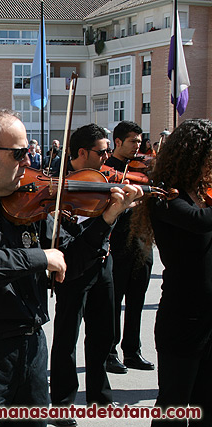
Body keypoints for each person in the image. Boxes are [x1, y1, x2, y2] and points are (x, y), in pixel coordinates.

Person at [0, 110, 141, 426]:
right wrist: (40, 258)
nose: (29, 162)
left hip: (32, 349)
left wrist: (106, 220)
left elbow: (71, 260)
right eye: (19, 154)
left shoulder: (29, 202)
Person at [129, 119, 212, 427]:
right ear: (196, 155)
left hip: (208, 316)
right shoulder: (165, 197)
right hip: (183, 317)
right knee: (174, 408)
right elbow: (199, 221)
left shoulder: (201, 192)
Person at [49, 124, 115, 425]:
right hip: (74, 269)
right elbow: (64, 235)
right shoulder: (57, 182)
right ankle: (62, 404)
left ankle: (100, 396)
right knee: (66, 338)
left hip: (103, 264)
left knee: (103, 335)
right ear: (81, 153)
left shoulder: (105, 181)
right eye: (102, 152)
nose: (107, 157)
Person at [104, 120, 155, 374]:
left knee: (137, 300)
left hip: (142, 243)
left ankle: (132, 350)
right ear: (118, 142)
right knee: (115, 302)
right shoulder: (106, 169)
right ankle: (110, 351)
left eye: (140, 140)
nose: (139, 146)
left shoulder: (145, 168)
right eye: (134, 141)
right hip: (118, 243)